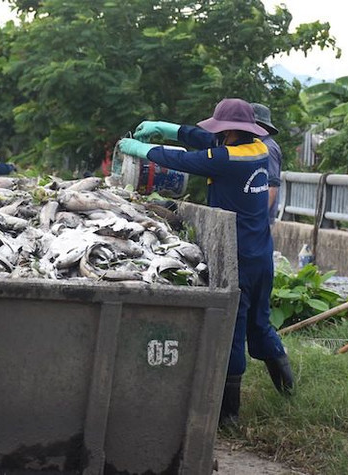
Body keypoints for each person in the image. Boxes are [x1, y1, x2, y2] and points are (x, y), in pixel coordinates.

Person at [119, 98, 294, 428]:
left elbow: (185, 160)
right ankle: (289, 393)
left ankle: (229, 416)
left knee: (233, 330)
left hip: (238, 256)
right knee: (260, 324)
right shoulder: (258, 148)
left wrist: (141, 150)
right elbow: (201, 139)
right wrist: (166, 128)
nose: (217, 135)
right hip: (261, 252)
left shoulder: (228, 160)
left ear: (229, 131)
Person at [251, 103, 282, 226]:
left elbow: (272, 185)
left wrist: (260, 216)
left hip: (261, 219)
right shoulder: (256, 146)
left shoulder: (268, 148)